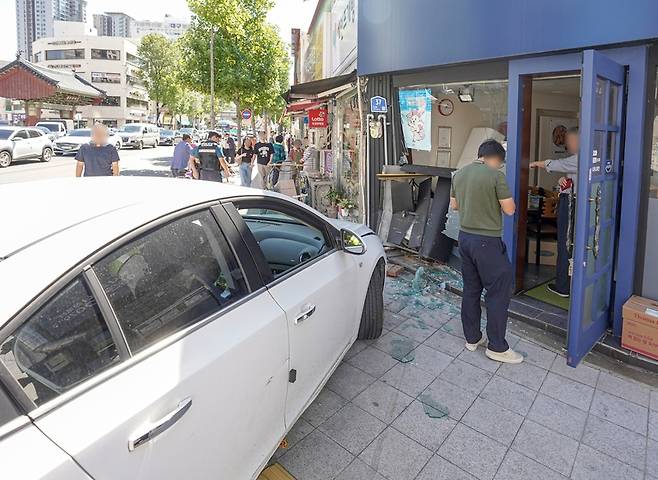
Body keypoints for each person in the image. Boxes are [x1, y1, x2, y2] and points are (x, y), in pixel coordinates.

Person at [450, 139, 523, 364]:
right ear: (494, 159)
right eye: (499, 163)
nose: (499, 167)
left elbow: (454, 206)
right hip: (487, 242)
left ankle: (472, 338)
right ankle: (497, 347)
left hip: (465, 239)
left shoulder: (459, 174)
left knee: (471, 289)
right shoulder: (495, 176)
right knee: (499, 291)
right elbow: (509, 210)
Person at [530, 126, 579, 298]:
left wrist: (535, 164)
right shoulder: (584, 158)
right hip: (572, 201)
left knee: (565, 242)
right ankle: (569, 282)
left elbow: (557, 164)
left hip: (572, 203)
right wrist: (565, 180)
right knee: (570, 242)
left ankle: (563, 286)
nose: (567, 144)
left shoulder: (581, 158)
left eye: (570, 140)